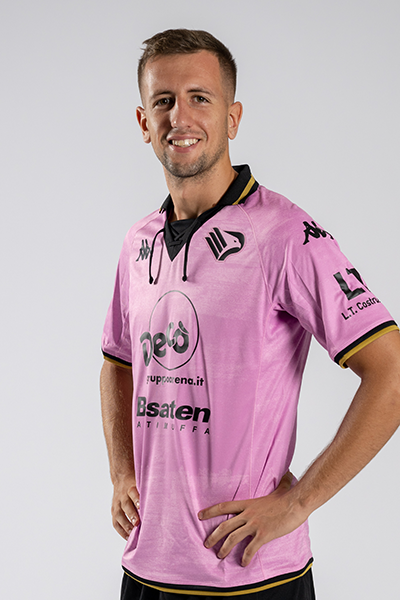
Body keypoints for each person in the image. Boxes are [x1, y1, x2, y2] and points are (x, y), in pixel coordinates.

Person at [100, 29, 400, 600]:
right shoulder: (136, 244)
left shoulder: (285, 235)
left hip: (249, 573)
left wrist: (299, 501)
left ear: (233, 118)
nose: (180, 116)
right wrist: (121, 471)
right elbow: (116, 362)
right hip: (146, 568)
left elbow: (393, 372)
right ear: (143, 122)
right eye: (163, 100)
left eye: (200, 97)